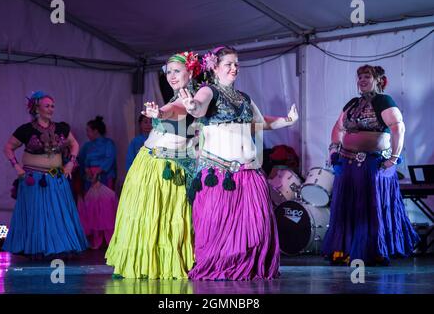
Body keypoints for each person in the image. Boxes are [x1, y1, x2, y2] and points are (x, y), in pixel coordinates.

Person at [180, 46, 299, 280]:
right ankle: (222, 269)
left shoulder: (244, 98)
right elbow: (199, 105)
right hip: (221, 174)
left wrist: (287, 120)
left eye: (236, 64)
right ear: (214, 67)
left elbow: (261, 121)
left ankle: (249, 268)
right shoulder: (208, 91)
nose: (234, 68)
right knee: (219, 229)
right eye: (229, 64)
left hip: (249, 173)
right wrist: (193, 107)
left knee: (257, 228)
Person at [105, 51, 201, 279]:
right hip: (149, 161)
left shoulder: (193, 99)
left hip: (166, 167)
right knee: (145, 214)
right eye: (168, 72)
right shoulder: (175, 97)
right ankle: (144, 263)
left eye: (177, 71)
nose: (171, 76)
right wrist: (160, 111)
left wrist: (160, 112)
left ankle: (159, 264)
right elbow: (172, 109)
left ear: (191, 71)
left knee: (164, 216)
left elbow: (176, 110)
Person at [323, 65, 420, 266]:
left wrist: (393, 158)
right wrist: (334, 152)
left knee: (370, 207)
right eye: (359, 77)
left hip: (373, 165)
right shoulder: (352, 103)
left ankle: (373, 250)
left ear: (378, 80)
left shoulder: (383, 101)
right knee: (348, 207)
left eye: (367, 76)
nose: (362, 80)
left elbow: (398, 127)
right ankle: (346, 250)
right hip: (347, 164)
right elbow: (338, 128)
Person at [3, 90, 88, 257]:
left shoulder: (62, 128)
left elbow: (74, 144)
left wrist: (70, 163)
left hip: (56, 178)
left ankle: (59, 247)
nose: (51, 109)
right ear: (36, 108)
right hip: (33, 180)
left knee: (58, 214)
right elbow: (8, 148)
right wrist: (17, 167)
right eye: (47, 106)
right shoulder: (26, 130)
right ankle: (37, 248)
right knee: (37, 215)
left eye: (52, 106)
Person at [77, 116, 118, 249]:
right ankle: (96, 239)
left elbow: (110, 159)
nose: (87, 134)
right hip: (90, 179)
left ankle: (109, 239)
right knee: (93, 208)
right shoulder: (87, 146)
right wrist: (88, 171)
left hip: (104, 178)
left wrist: (98, 172)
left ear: (96, 131)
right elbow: (82, 160)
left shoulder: (108, 143)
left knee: (106, 208)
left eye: (88, 131)